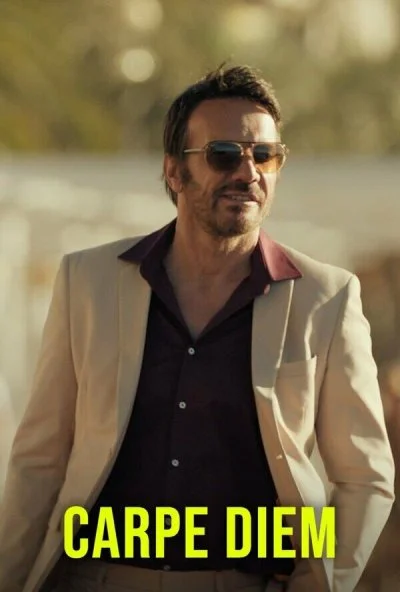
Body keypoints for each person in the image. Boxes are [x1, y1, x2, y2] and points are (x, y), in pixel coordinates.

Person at [0, 65, 395, 592]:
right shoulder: (87, 282)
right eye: (224, 154)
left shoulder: (327, 297)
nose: (248, 172)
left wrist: (315, 585)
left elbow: (366, 476)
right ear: (174, 172)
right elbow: (39, 462)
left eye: (265, 155)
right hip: (98, 577)